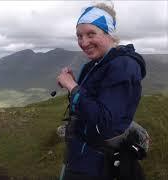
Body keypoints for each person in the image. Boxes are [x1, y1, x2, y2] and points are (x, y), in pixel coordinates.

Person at [56, 3, 146, 180]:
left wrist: (73, 87)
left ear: (108, 33)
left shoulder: (123, 66)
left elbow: (105, 122)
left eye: (91, 34)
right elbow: (93, 100)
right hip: (81, 153)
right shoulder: (99, 63)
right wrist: (74, 83)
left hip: (96, 162)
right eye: (79, 36)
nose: (83, 42)